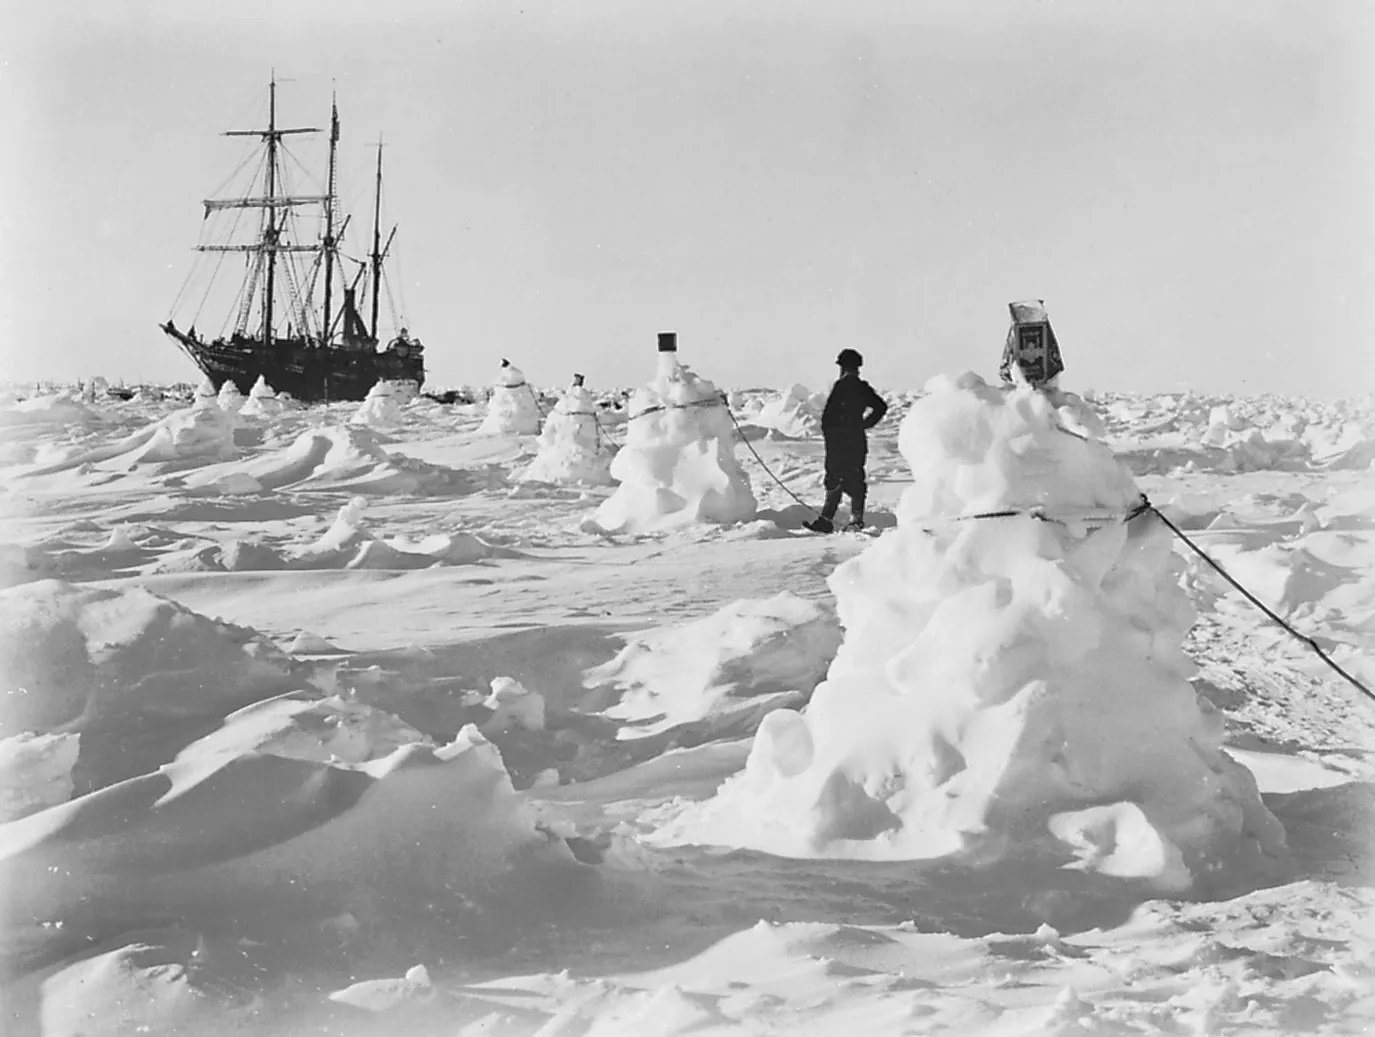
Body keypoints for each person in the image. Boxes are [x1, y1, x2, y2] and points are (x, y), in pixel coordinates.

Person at [805, 348, 888, 533]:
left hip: (838, 443)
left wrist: (834, 432)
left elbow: (828, 417)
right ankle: (854, 520)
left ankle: (828, 521)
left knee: (835, 479)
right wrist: (864, 424)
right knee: (854, 478)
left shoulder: (841, 386)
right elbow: (881, 407)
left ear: (842, 367)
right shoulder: (861, 387)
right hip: (855, 441)